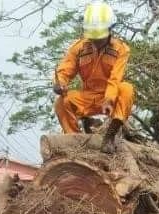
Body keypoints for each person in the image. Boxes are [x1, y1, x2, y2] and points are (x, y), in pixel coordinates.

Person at [53, 1, 134, 154]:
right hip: (88, 97)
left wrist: (109, 100)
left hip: (110, 96)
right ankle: (74, 141)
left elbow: (115, 79)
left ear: (110, 30)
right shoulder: (78, 48)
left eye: (100, 37)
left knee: (127, 89)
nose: (96, 41)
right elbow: (65, 70)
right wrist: (59, 84)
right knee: (62, 102)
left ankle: (109, 137)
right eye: (93, 37)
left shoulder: (121, 50)